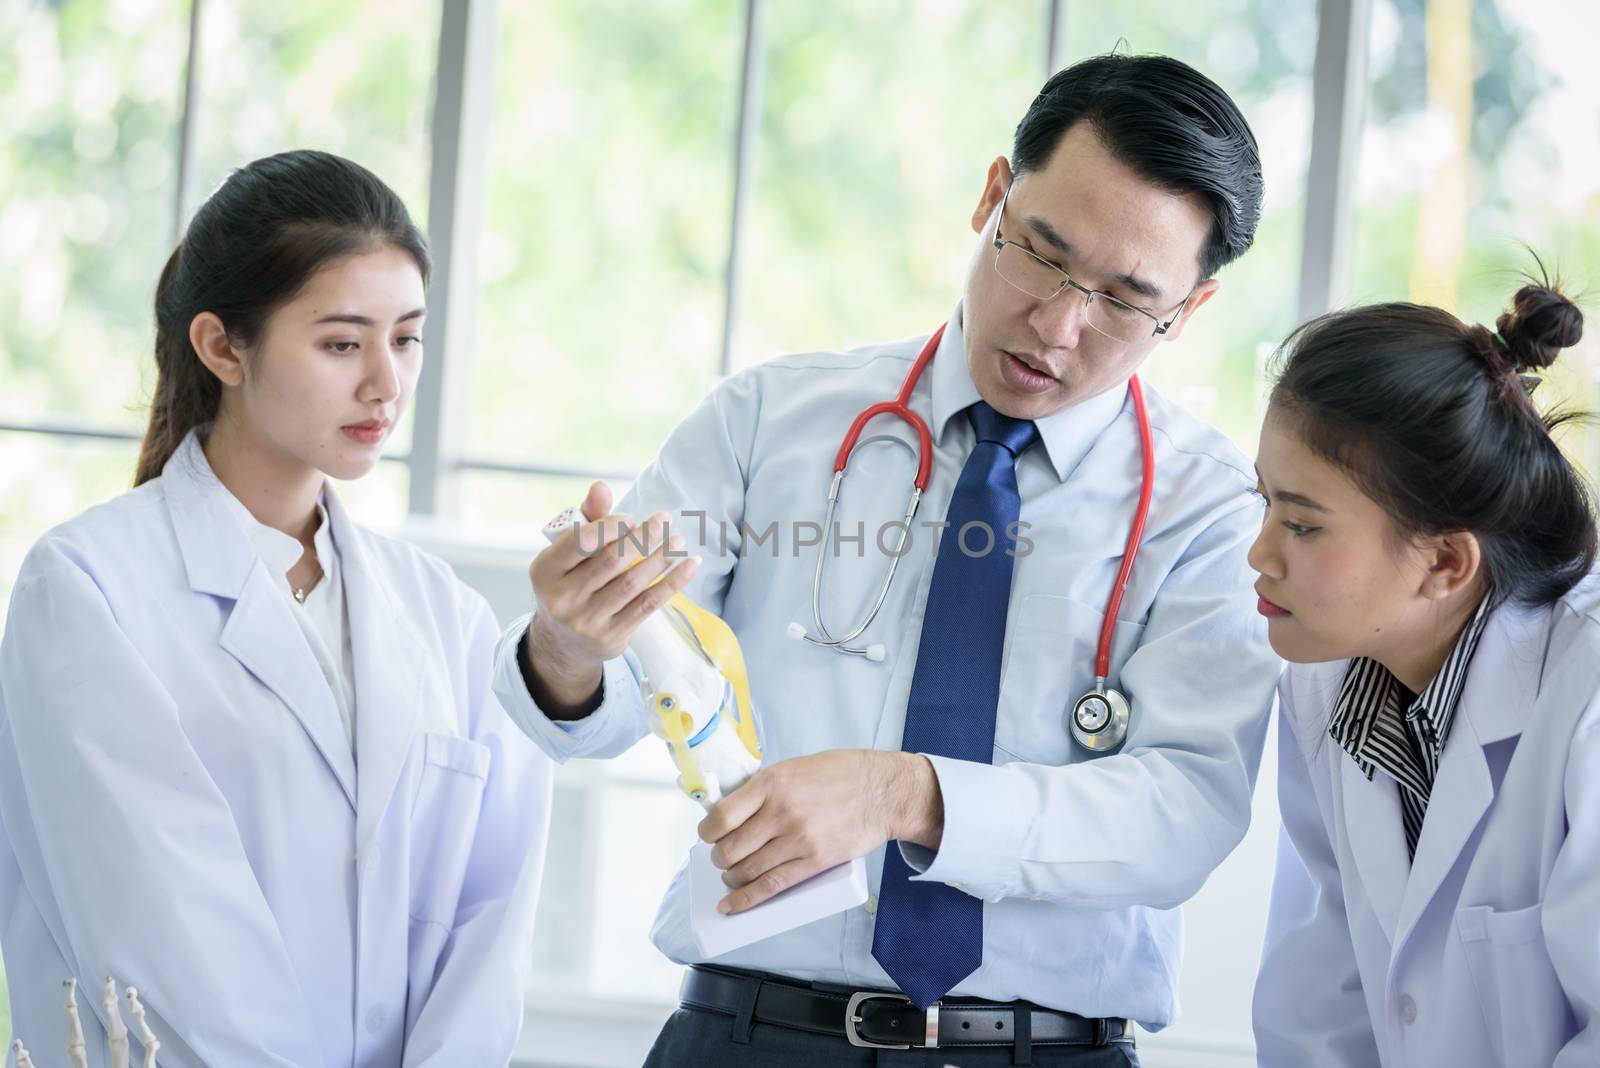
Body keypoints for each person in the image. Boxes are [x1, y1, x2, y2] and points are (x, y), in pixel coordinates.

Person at [501, 54, 1282, 1065]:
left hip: (1045, 1051)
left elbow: (1183, 812)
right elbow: (608, 703)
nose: (1057, 323)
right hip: (750, 1036)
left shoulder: (1209, 508)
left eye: (1125, 300)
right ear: (992, 196)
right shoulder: (769, 422)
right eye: (1040, 254)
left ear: (1189, 311)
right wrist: (567, 643)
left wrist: (904, 794)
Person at [0, 150, 552, 1067]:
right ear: (223, 347)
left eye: (406, 337)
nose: (386, 382)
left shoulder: (444, 615)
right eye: (342, 342)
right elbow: (163, 940)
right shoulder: (89, 588)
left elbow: (489, 918)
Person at [1250, 278, 1599, 1066]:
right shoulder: (1324, 683)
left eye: (1301, 524)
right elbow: (1319, 1006)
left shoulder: (1587, 693)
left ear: (1444, 561)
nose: (1260, 553)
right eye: (1264, 503)